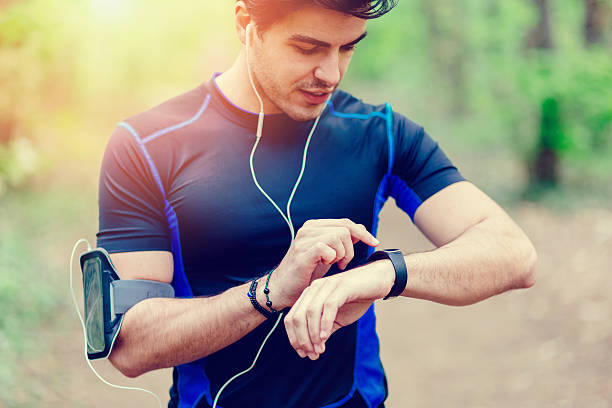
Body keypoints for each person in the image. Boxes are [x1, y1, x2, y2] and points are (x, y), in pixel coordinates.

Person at [96, 1, 537, 407]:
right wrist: (268, 292)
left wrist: (381, 274)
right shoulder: (148, 146)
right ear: (246, 25)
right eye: (308, 48)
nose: (331, 72)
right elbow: (131, 345)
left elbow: (513, 254)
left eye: (348, 48)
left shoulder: (379, 133)